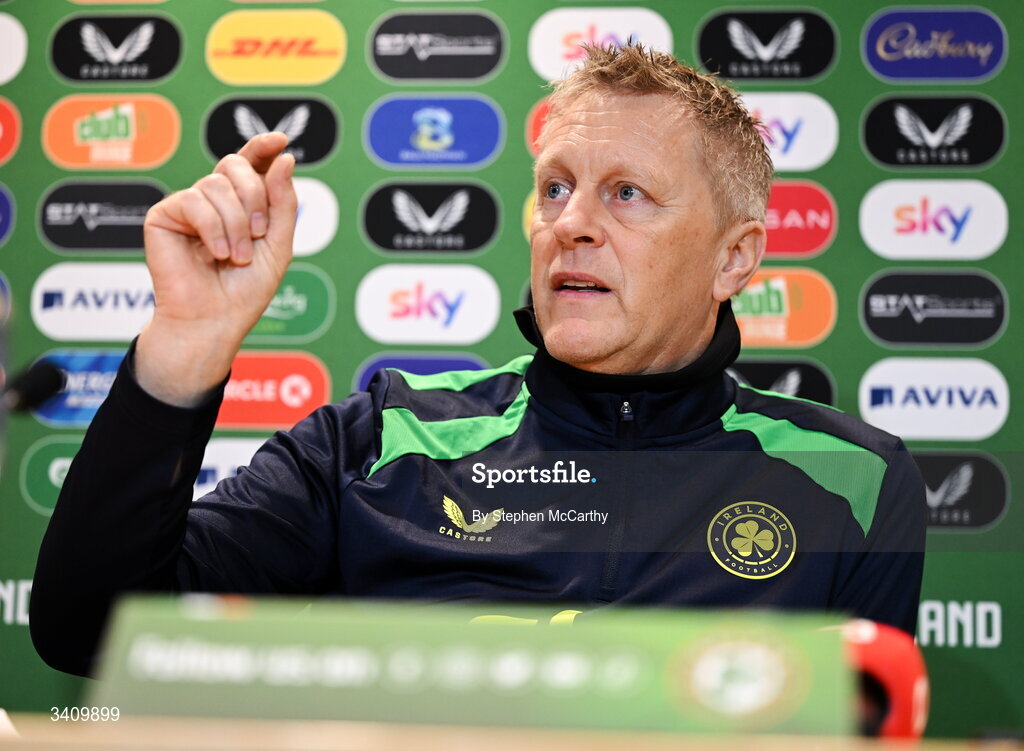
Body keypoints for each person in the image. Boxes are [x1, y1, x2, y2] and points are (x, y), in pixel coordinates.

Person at [31, 44, 926, 678]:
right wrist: (183, 348)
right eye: (555, 188)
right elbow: (90, 632)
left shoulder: (853, 480)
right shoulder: (381, 439)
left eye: (626, 193)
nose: (571, 224)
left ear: (734, 258)